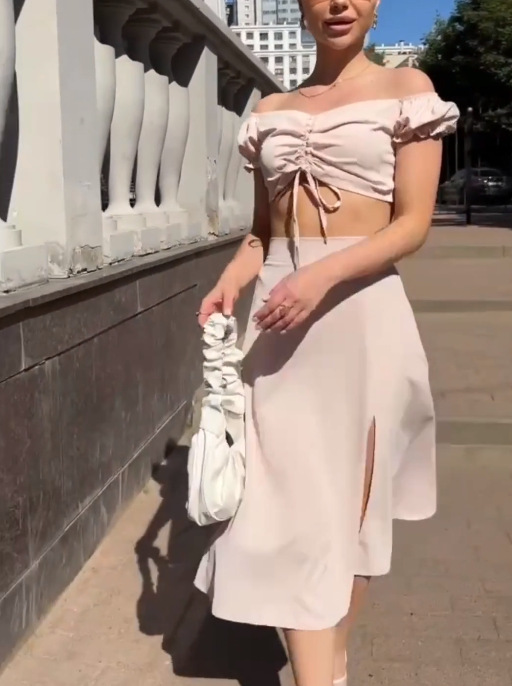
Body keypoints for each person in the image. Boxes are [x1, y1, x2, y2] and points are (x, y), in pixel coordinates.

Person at [195, 1, 459, 685]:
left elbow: (413, 224)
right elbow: (261, 233)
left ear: (375, 5)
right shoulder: (271, 109)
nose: (338, 3)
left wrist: (322, 277)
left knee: (355, 520)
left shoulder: (408, 90)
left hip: (361, 320)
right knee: (288, 519)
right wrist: (232, 279)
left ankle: (329, 666)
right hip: (279, 330)